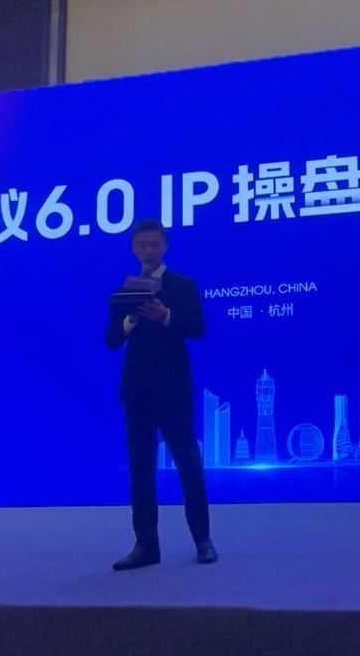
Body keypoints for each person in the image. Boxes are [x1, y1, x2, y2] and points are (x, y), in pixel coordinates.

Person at [105, 219, 216, 570]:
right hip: (137, 391)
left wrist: (165, 315)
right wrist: (130, 321)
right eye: (142, 245)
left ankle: (203, 540)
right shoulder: (124, 291)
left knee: (188, 465)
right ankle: (146, 546)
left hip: (173, 390)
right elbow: (111, 340)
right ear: (132, 249)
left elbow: (198, 328)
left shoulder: (183, 285)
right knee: (141, 470)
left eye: (154, 244)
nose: (149, 250)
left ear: (165, 246)